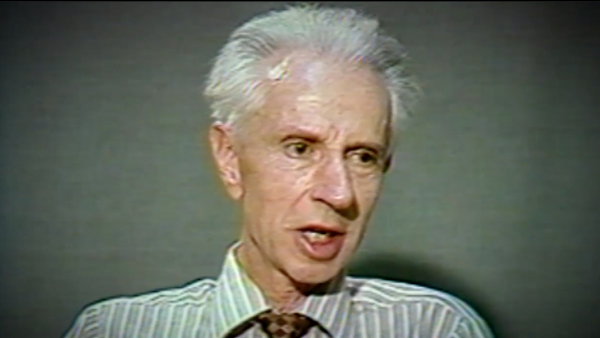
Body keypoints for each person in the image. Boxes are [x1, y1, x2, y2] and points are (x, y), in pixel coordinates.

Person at [64, 4, 494, 338]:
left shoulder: (437, 328)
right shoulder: (118, 329)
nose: (339, 193)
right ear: (229, 158)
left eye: (362, 156)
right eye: (301, 148)